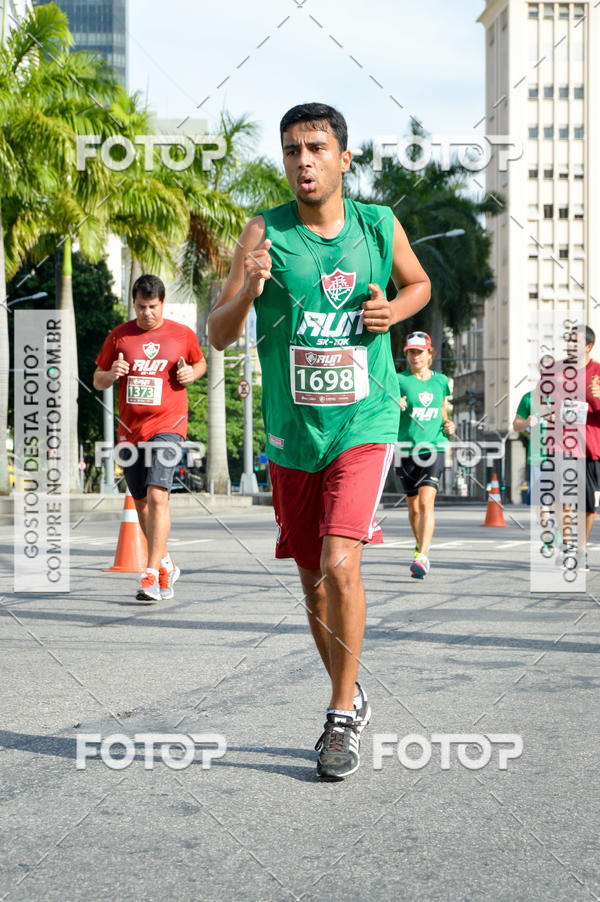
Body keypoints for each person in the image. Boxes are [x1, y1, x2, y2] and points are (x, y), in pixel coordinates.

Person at [208, 102, 430, 780]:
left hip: (362, 424)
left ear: (344, 158)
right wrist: (247, 289)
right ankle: (352, 691)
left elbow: (418, 283)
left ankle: (338, 714)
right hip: (292, 436)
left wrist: (393, 308)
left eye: (315, 147)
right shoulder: (263, 231)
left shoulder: (376, 224)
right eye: (291, 150)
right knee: (311, 579)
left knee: (341, 562)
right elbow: (217, 333)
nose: (302, 161)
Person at [93, 274, 206, 601]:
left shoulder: (181, 335)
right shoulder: (119, 337)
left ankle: (150, 572)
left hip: (169, 427)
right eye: (141, 307)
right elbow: (97, 379)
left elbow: (199, 364)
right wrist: (111, 374)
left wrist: (190, 373)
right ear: (134, 304)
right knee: (141, 503)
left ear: (162, 303)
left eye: (153, 307)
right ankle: (166, 563)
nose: (147, 313)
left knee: (158, 495)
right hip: (130, 433)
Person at [396, 331, 454, 579]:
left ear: (430, 354)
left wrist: (449, 424)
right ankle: (419, 546)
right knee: (413, 507)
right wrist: (394, 405)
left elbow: (442, 408)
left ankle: (423, 556)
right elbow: (385, 406)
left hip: (434, 447)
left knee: (425, 501)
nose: (415, 356)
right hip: (404, 449)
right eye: (411, 351)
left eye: (419, 352)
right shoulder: (398, 380)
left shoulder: (441, 381)